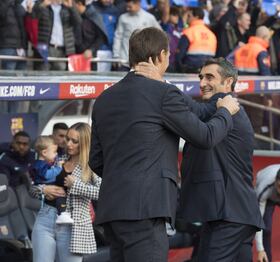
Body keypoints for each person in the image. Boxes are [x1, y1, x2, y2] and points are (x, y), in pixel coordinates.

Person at [89, 27, 240, 262]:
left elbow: (96, 161)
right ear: (161, 56)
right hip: (147, 210)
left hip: (111, 211)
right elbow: (205, 137)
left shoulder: (103, 99)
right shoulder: (163, 94)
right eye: (168, 55)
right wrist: (225, 113)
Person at [175, 58, 263, 262]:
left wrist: (161, 85)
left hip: (229, 215)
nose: (202, 83)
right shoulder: (221, 113)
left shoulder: (223, 104)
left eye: (209, 77)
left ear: (228, 82)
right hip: (237, 214)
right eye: (200, 77)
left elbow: (193, 110)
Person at [31, 123, 102, 262]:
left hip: (73, 226)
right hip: (46, 217)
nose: (69, 144)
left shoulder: (91, 165)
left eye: (74, 141)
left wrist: (75, 185)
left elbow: (102, 192)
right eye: (67, 139)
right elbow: (31, 188)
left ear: (84, 143)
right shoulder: (57, 159)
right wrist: (43, 189)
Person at [31, 136, 74, 224]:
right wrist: (58, 168)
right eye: (54, 152)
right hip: (44, 187)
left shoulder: (42, 163)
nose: (56, 154)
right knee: (60, 198)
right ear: (44, 152)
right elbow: (47, 175)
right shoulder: (40, 165)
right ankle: (62, 214)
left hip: (45, 188)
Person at [112, 0, 160, 70]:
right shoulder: (123, 18)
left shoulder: (149, 18)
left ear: (138, 3)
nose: (127, 9)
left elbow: (159, 35)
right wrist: (116, 55)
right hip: (125, 61)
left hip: (143, 62)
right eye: (127, 6)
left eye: (130, 7)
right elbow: (118, 37)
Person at [175, 7, 217, 73]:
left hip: (189, 71)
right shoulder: (211, 34)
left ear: (196, 17)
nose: (187, 18)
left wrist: (180, 70)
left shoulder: (188, 32)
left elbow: (179, 57)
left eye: (189, 16)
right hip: (207, 71)